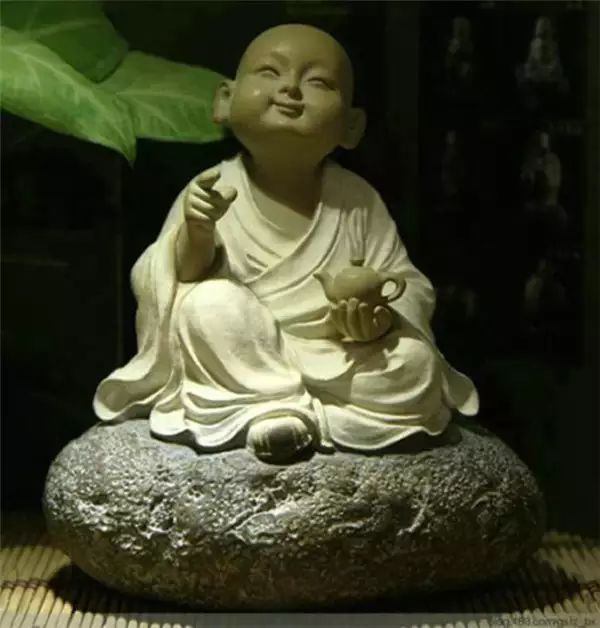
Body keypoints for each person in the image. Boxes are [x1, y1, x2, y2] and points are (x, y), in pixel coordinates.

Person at [94, 24, 479, 462]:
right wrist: (197, 231)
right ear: (224, 100)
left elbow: (406, 283)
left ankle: (289, 414)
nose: (290, 89)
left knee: (415, 364)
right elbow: (171, 280)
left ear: (352, 126)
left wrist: (378, 318)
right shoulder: (212, 188)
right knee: (207, 306)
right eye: (270, 73)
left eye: (318, 82)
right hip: (245, 353)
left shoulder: (356, 200)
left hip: (339, 355)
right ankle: (277, 408)